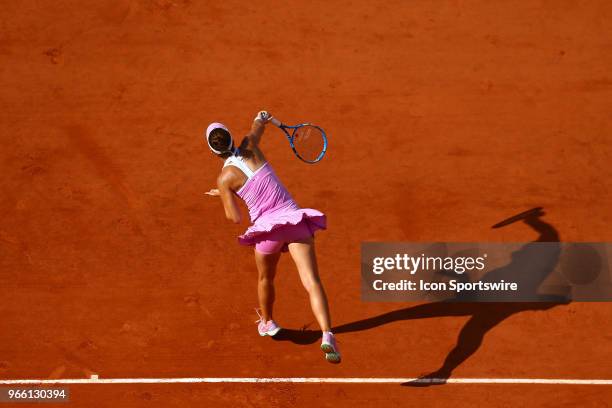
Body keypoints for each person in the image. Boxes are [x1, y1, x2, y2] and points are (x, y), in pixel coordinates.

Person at [204, 111, 340, 363]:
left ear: (213, 151)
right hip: (294, 221)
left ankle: (267, 322)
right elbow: (258, 125)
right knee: (312, 282)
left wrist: (225, 193)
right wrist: (261, 117)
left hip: (267, 231)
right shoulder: (250, 145)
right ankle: (327, 334)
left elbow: (234, 218)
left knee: (266, 278)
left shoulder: (224, 179)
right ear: (232, 139)